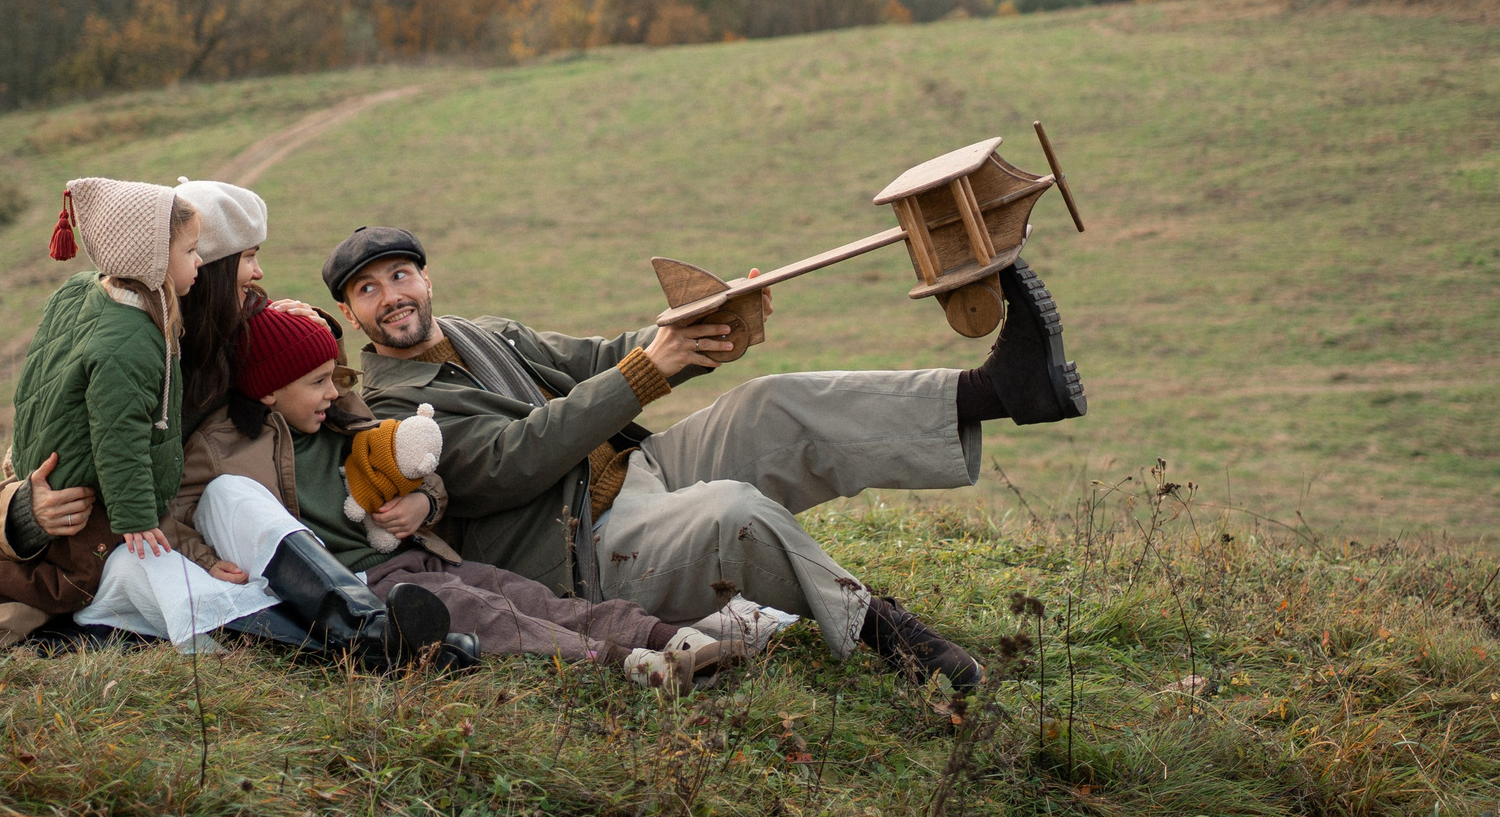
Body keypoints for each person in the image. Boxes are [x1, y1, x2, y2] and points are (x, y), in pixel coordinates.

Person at [326, 224, 1088, 692]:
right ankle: (885, 630)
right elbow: (513, 459)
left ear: (426, 277)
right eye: (368, 289)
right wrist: (648, 370)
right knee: (733, 512)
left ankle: (1000, 388)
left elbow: (603, 356)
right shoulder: (391, 409)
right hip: (586, 550)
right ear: (350, 314)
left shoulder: (482, 331)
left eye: (399, 274)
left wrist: (700, 331)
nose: (391, 295)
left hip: (637, 473)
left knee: (771, 403)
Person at [155, 305, 761, 686]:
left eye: (334, 380)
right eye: (315, 384)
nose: (331, 392)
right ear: (266, 392)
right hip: (364, 586)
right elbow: (176, 512)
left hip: (421, 555)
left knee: (521, 594)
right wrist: (209, 562)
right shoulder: (223, 446)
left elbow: (419, 474)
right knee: (490, 616)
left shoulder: (343, 419)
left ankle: (662, 636)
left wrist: (425, 504)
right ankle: (625, 665)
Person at [0, 176, 205, 646]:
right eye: (190, 251)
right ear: (152, 258)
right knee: (75, 582)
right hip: (87, 490)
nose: (199, 262)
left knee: (59, 565)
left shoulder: (82, 292)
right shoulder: (132, 342)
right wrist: (136, 518)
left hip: (56, 466)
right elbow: (120, 439)